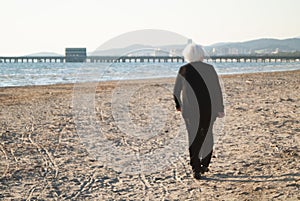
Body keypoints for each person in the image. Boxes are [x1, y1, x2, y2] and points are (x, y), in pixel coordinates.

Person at [173, 43, 225, 179]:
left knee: (193, 137)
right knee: (207, 135)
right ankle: (205, 163)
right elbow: (216, 90)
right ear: (201, 55)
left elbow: (176, 91)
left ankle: (195, 167)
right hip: (208, 109)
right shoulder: (209, 68)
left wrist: (178, 105)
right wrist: (220, 108)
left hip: (189, 110)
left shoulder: (183, 69)